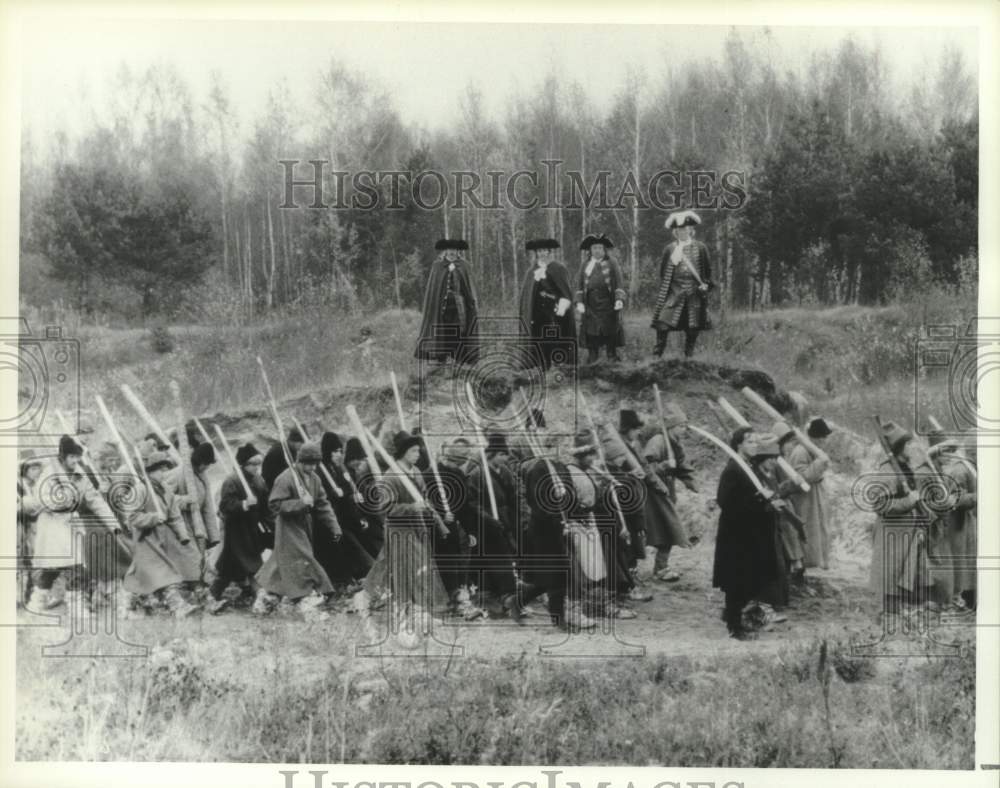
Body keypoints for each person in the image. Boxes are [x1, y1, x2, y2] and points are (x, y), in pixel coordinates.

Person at [29, 436, 123, 614]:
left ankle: (76, 606)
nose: (75, 460)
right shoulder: (49, 474)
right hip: (52, 526)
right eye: (71, 457)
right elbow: (41, 499)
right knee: (55, 566)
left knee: (74, 564)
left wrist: (113, 524)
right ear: (63, 457)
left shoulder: (80, 474)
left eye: (77, 457)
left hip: (71, 525)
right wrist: (65, 501)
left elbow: (95, 500)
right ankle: (38, 602)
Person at [363, 431, 449, 625]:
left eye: (418, 450)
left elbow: (424, 498)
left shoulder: (416, 472)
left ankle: (371, 596)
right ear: (403, 453)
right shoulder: (391, 476)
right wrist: (411, 507)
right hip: (399, 529)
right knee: (414, 564)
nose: (417, 454)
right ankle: (417, 608)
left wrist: (434, 516)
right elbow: (385, 508)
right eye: (413, 451)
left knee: (393, 565)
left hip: (417, 526)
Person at [869, 421, 952, 612]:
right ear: (899, 447)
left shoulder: (903, 466)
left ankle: (902, 608)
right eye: (906, 444)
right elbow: (879, 504)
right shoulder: (888, 471)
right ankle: (889, 611)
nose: (911, 448)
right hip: (892, 534)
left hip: (907, 532)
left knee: (906, 573)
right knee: (891, 574)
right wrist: (908, 501)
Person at [712, 432, 788, 639]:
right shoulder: (733, 469)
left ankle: (738, 619)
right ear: (738, 445)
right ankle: (735, 628)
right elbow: (725, 502)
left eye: (756, 441)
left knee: (747, 578)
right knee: (736, 580)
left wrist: (767, 502)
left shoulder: (749, 466)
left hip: (750, 533)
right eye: (750, 442)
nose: (755, 445)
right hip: (736, 534)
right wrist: (758, 500)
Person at [254, 441, 342, 619]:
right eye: (308, 463)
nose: (312, 467)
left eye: (315, 463)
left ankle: (266, 600)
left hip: (304, 525)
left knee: (284, 564)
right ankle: (306, 602)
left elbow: (323, 504)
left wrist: (334, 526)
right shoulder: (285, 478)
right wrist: (300, 503)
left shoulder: (315, 479)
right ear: (299, 461)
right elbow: (275, 505)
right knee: (304, 560)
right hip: (287, 527)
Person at [122, 450, 202, 619]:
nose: (165, 474)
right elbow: (131, 517)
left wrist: (183, 535)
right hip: (146, 538)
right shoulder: (140, 489)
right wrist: (152, 518)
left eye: (166, 469)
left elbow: (174, 515)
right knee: (161, 572)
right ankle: (177, 606)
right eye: (161, 470)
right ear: (151, 471)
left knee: (155, 572)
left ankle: (132, 601)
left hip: (164, 537)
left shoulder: (165, 490)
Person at [565, 431, 636, 620]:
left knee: (598, 565)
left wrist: (604, 486)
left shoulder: (585, 472)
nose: (593, 459)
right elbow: (567, 503)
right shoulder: (570, 473)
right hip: (578, 525)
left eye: (593, 454)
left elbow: (592, 499)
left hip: (590, 523)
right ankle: (589, 608)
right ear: (581, 455)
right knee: (587, 567)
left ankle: (602, 605)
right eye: (590, 455)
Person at [640, 404, 699, 582]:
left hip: (666, 490)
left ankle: (661, 567)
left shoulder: (675, 443)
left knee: (667, 528)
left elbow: (681, 465)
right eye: (681, 426)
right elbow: (646, 468)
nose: (684, 430)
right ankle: (632, 569)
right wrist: (664, 466)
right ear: (672, 427)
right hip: (653, 493)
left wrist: (690, 481)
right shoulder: (657, 441)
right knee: (663, 527)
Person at [209, 443, 271, 613]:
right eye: (253, 464)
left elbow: (265, 505)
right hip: (236, 531)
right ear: (243, 464)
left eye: (258, 464)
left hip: (252, 529)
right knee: (252, 563)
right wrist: (243, 504)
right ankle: (260, 595)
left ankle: (213, 596)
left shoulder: (258, 480)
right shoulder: (232, 481)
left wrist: (269, 522)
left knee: (230, 568)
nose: (256, 468)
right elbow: (225, 506)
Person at [466, 432, 520, 618]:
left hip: (505, 521)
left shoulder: (505, 471)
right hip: (487, 525)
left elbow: (513, 495)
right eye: (501, 455)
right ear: (492, 455)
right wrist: (489, 519)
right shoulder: (477, 474)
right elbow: (472, 504)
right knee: (497, 561)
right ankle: (501, 599)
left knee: (508, 558)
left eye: (506, 455)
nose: (504, 459)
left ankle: (508, 598)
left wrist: (514, 516)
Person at [313, 431, 376, 590]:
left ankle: (360, 576)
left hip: (345, 517)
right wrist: (335, 493)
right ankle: (344, 582)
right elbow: (320, 497)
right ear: (327, 451)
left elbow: (347, 491)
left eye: (340, 451)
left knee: (357, 544)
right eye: (335, 451)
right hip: (329, 520)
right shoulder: (320, 472)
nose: (338, 455)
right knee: (342, 550)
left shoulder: (340, 469)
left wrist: (351, 496)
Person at [651, 210, 714, 358]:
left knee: (692, 330)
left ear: (692, 230)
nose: (683, 232)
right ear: (675, 232)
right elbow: (663, 274)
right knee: (663, 325)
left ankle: (689, 360)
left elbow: (707, 272)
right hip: (674, 295)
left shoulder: (701, 248)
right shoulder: (670, 249)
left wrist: (705, 285)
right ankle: (655, 359)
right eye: (680, 230)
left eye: (686, 229)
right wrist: (672, 290)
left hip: (694, 297)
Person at [928, 431, 977, 611]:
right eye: (946, 452)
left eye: (952, 451)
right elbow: (953, 499)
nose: (951, 456)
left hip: (959, 523)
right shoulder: (955, 471)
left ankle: (955, 598)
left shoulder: (943, 470)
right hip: (950, 525)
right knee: (953, 564)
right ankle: (947, 600)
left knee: (961, 563)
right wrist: (976, 498)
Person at [414, 239, 480, 365]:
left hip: (459, 308)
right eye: (449, 249)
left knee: (458, 332)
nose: (451, 252)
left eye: (454, 250)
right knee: (441, 331)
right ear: (445, 251)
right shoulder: (437, 266)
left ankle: (459, 361)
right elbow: (433, 291)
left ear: (458, 251)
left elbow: (469, 289)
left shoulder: (464, 265)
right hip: (441, 308)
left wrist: (471, 305)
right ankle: (441, 361)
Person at [518, 238, 577, 370]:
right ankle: (540, 368)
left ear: (549, 252)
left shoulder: (558, 268)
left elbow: (565, 292)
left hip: (554, 315)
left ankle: (558, 369)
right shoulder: (531, 271)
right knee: (538, 341)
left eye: (545, 250)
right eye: (539, 251)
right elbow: (527, 295)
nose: (542, 253)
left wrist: (562, 304)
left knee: (553, 342)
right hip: (537, 315)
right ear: (536, 253)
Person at [790, 418, 833, 573]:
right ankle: (798, 570)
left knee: (816, 532)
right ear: (817, 438)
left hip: (814, 497)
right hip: (804, 501)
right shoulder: (800, 451)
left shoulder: (813, 450)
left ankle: (808, 566)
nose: (825, 441)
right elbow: (800, 477)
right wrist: (820, 463)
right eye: (823, 437)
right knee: (804, 533)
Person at [575, 234, 626, 363]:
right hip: (590, 305)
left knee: (610, 331)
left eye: (599, 248)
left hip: (608, 304)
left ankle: (612, 357)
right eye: (594, 248)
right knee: (591, 332)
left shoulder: (612, 262)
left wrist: (619, 299)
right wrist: (579, 302)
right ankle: (593, 359)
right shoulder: (585, 264)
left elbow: (619, 282)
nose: (597, 250)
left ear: (604, 249)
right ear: (590, 250)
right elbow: (579, 284)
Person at [17, 452, 45, 609]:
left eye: (38, 467)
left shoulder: (35, 486)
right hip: (20, 526)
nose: (37, 471)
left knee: (34, 558)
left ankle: (32, 594)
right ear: (25, 469)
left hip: (32, 526)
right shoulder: (17, 485)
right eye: (33, 468)